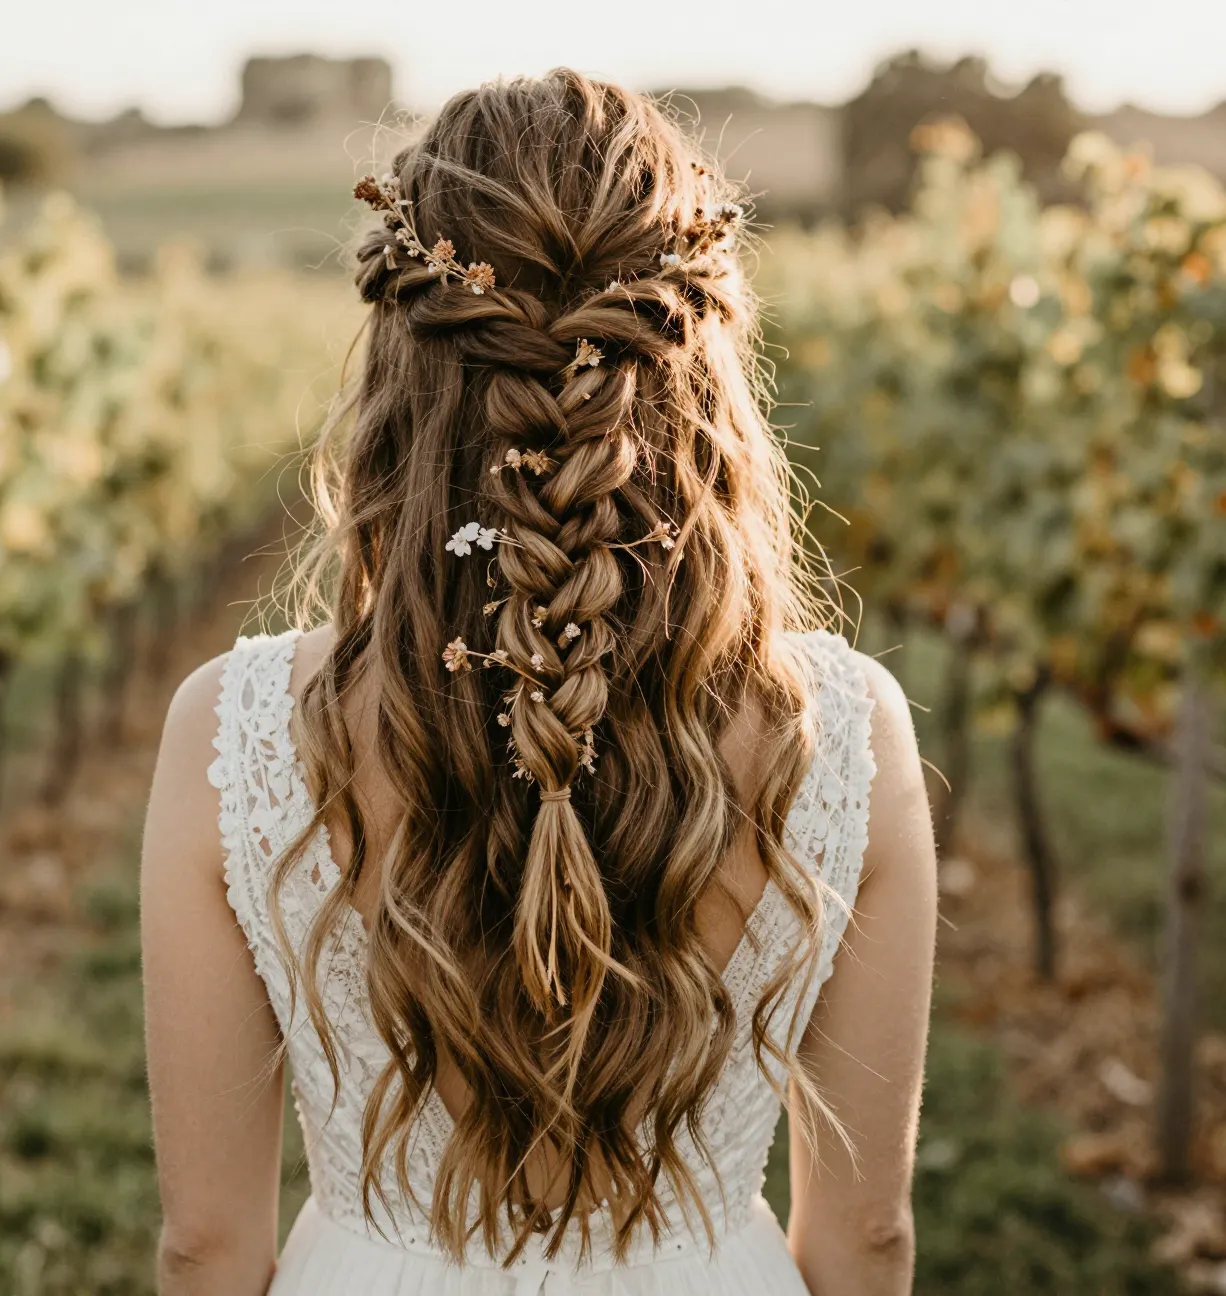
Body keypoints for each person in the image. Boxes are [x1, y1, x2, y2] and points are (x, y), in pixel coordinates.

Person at [139, 69, 937, 1296]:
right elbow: (865, 1235)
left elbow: (207, 1244)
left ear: (402, 375)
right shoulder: (845, 731)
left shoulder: (233, 730)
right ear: (698, 370)